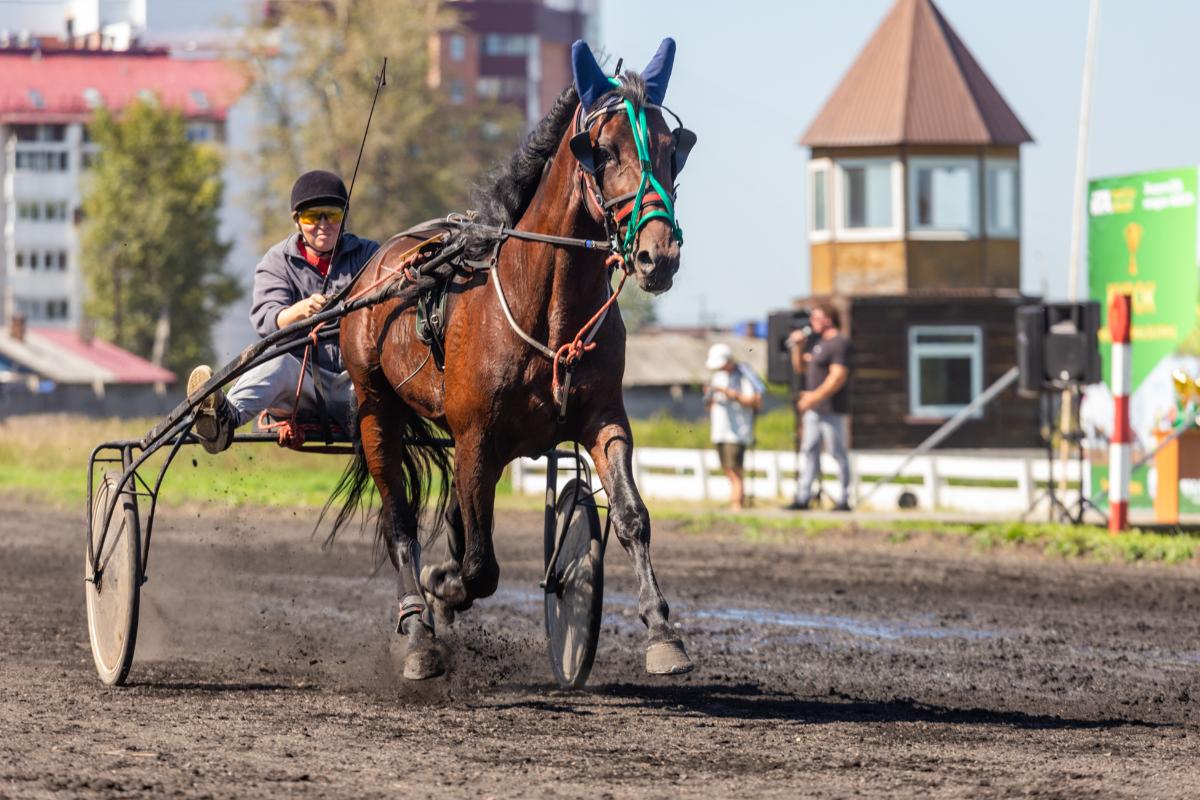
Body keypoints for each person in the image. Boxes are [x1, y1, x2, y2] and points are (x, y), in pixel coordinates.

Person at [187, 170, 381, 453]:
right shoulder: (277, 261)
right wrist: (298, 311)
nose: (323, 225)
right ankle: (223, 420)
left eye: (333, 215)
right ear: (297, 221)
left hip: (356, 383)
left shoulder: (369, 254)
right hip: (302, 386)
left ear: (344, 218)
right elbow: (266, 321)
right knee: (274, 362)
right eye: (314, 216)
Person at [784, 304, 853, 511]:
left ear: (828, 319)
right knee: (809, 451)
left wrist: (813, 397)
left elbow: (838, 376)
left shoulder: (839, 343)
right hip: (814, 410)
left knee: (836, 452)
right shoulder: (818, 343)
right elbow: (801, 368)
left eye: (816, 317)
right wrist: (798, 346)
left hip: (831, 409)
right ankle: (803, 497)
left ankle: (844, 498)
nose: (812, 321)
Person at [705, 343, 764, 511]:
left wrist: (730, 394)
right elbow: (710, 406)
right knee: (726, 467)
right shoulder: (717, 378)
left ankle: (737, 503)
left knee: (735, 468)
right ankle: (735, 499)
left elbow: (756, 401)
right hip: (720, 429)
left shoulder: (744, 376)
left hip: (738, 431)